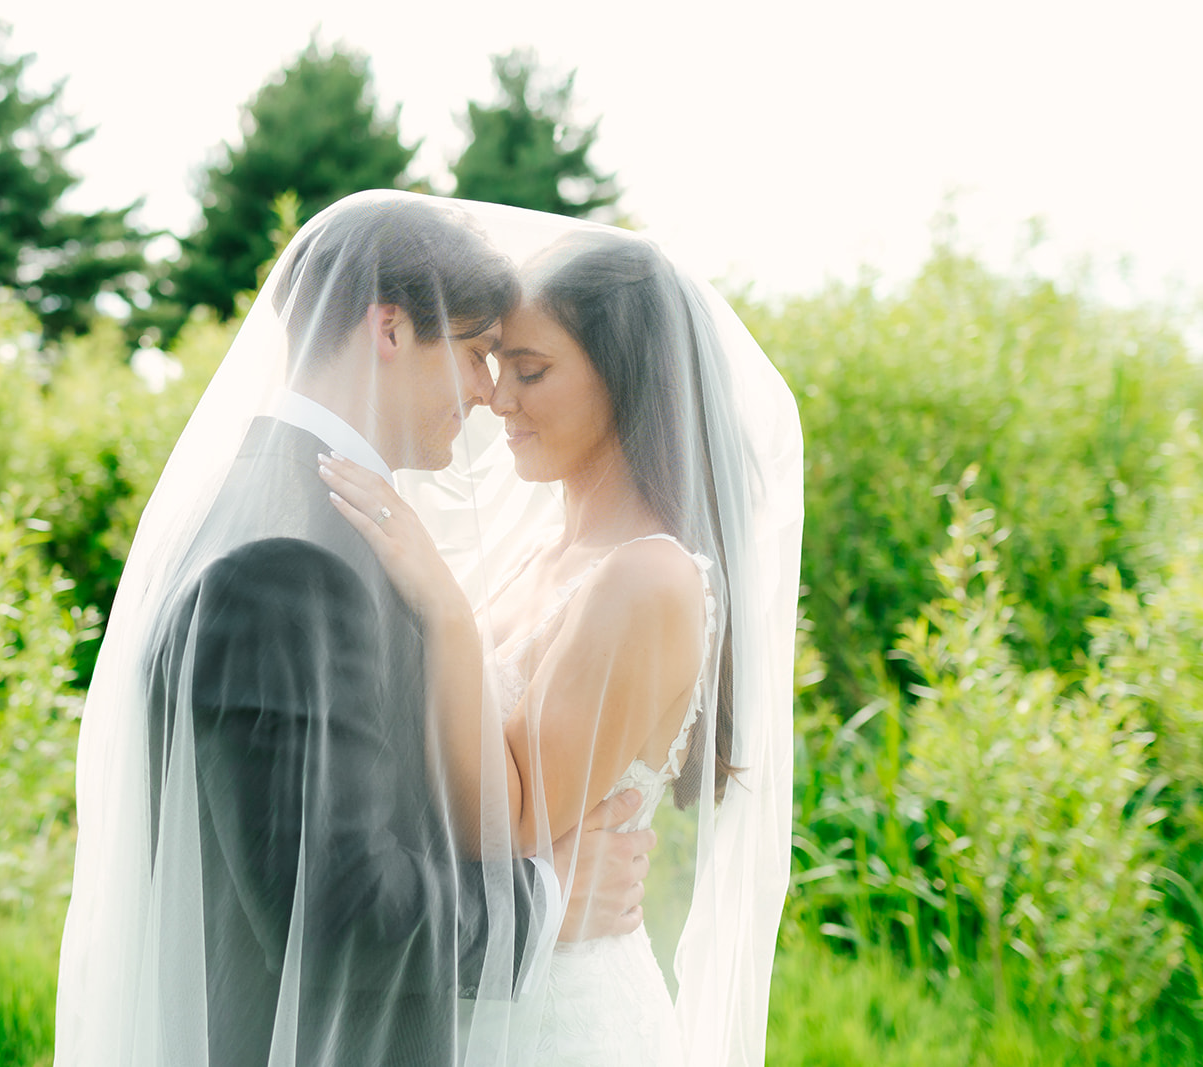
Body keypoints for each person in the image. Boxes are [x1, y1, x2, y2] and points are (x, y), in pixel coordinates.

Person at [53, 196, 660, 1067]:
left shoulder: (284, 506)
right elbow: (330, 907)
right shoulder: (289, 563)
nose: (490, 393)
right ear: (390, 329)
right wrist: (552, 901)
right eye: (479, 351)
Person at [321, 225, 803, 1065]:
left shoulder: (648, 581)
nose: (497, 399)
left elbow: (508, 824)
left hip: (557, 1022)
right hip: (480, 985)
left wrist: (440, 604)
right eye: (498, 364)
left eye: (531, 370)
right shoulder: (538, 555)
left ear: (625, 377)